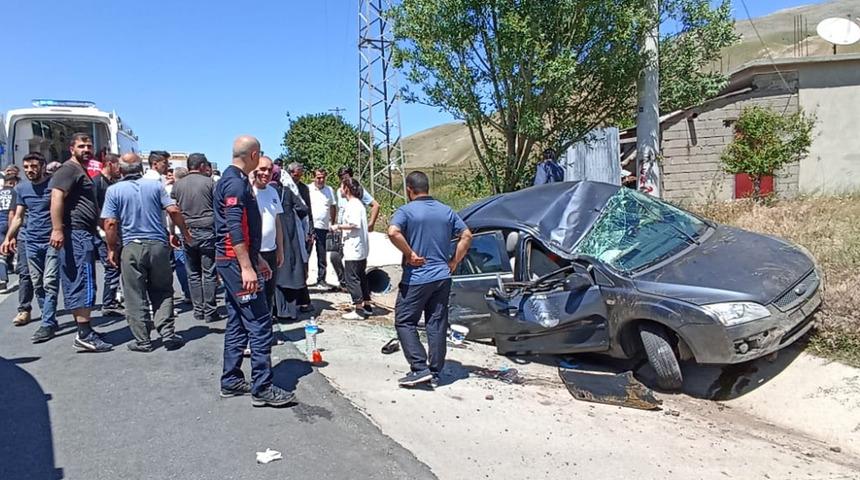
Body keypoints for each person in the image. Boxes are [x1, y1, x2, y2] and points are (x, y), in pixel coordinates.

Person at [215, 135, 294, 407]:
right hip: (235, 264)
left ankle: (231, 379)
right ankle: (262, 387)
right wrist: (247, 267)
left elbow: (246, 230)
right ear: (253, 154)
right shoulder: (235, 183)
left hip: (239, 260)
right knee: (260, 323)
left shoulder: (233, 179)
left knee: (238, 320)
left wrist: (256, 257)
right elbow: (234, 228)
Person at [388, 171, 472, 387]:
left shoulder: (406, 211)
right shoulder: (446, 211)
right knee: (436, 323)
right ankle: (435, 372)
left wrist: (409, 254)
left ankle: (419, 368)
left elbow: (393, 232)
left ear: (409, 189)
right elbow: (467, 235)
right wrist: (454, 261)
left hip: (417, 277)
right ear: (427, 188)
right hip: (442, 277)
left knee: (405, 321)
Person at [102, 153, 192, 352]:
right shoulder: (155, 186)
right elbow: (174, 210)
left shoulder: (114, 191)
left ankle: (143, 339)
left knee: (135, 294)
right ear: (140, 169)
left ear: (121, 169)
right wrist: (184, 232)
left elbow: (110, 222)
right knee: (162, 289)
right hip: (158, 245)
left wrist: (111, 248)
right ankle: (167, 332)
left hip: (131, 245)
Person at [49, 132, 113, 352]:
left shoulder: (81, 170)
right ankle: (84, 335)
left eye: (89, 146)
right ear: (71, 148)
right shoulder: (68, 169)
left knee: (87, 280)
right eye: (82, 146)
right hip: (75, 234)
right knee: (81, 281)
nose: (86, 149)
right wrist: (57, 229)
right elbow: (56, 197)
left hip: (86, 232)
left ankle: (86, 329)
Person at [1, 153, 60, 340]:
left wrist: (59, 230)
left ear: (43, 166)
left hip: (51, 241)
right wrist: (9, 237)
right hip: (31, 241)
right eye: (26, 167)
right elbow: (18, 216)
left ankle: (47, 323)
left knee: (50, 281)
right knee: (38, 283)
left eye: (34, 166)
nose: (29, 170)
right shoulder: (21, 188)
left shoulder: (54, 186)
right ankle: (48, 317)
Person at [172, 153, 220, 323]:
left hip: (187, 231)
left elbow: (173, 210)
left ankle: (198, 310)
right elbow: (219, 208)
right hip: (207, 230)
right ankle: (210, 310)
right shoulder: (210, 183)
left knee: (193, 273)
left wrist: (173, 232)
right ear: (201, 166)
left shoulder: (177, 186)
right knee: (209, 272)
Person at [330, 166, 380, 290]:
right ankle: (344, 283)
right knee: (335, 257)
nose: (343, 180)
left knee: (356, 264)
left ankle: (359, 291)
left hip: (354, 233)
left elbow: (375, 205)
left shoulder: (358, 191)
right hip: (342, 231)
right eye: (341, 178)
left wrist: (371, 223)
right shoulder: (339, 191)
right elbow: (340, 209)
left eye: (346, 177)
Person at [332, 178, 371, 320]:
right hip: (361, 248)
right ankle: (367, 305)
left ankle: (359, 308)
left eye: (342, 187)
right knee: (361, 276)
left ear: (347, 188)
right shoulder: (358, 204)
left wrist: (338, 226)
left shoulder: (353, 205)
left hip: (354, 248)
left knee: (352, 278)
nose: (340, 190)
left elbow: (354, 224)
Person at [272, 172, 309, 322]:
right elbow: (303, 208)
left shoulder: (264, 192)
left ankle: (276, 310)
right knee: (291, 269)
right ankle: (291, 312)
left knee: (276, 272)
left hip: (272, 236)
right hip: (290, 234)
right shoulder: (287, 191)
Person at [251, 156, 284, 316]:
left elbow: (277, 222)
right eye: (263, 169)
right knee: (256, 295)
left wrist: (280, 250)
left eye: (270, 170)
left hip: (271, 250)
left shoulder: (273, 192)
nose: (266, 173)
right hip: (254, 253)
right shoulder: (248, 192)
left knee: (269, 294)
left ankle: (268, 330)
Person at [91, 153, 123, 315]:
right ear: (110, 164)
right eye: (119, 165)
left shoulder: (115, 183)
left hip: (116, 231)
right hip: (103, 232)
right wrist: (103, 231)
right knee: (112, 266)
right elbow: (95, 211)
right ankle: (109, 303)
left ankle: (113, 299)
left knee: (117, 266)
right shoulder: (96, 183)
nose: (121, 168)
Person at [285, 162, 313, 312]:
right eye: (296, 174)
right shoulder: (285, 188)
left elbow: (307, 210)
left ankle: (303, 300)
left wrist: (310, 230)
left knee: (303, 263)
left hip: (302, 229)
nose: (298, 177)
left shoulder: (303, 188)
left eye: (300, 174)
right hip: (290, 230)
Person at [308, 168, 336, 288]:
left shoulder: (329, 190)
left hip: (323, 227)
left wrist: (332, 222)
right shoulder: (308, 189)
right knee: (306, 253)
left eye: (323, 177)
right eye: (318, 177)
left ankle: (321, 279)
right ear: (314, 177)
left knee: (322, 255)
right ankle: (302, 279)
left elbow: (333, 207)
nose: (321, 180)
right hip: (309, 227)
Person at [0, 175, 17, 292]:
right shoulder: (14, 193)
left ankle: (2, 278)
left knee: (1, 252)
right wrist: (12, 232)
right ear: (12, 183)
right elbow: (12, 212)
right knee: (4, 252)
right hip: (8, 222)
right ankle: (3, 278)